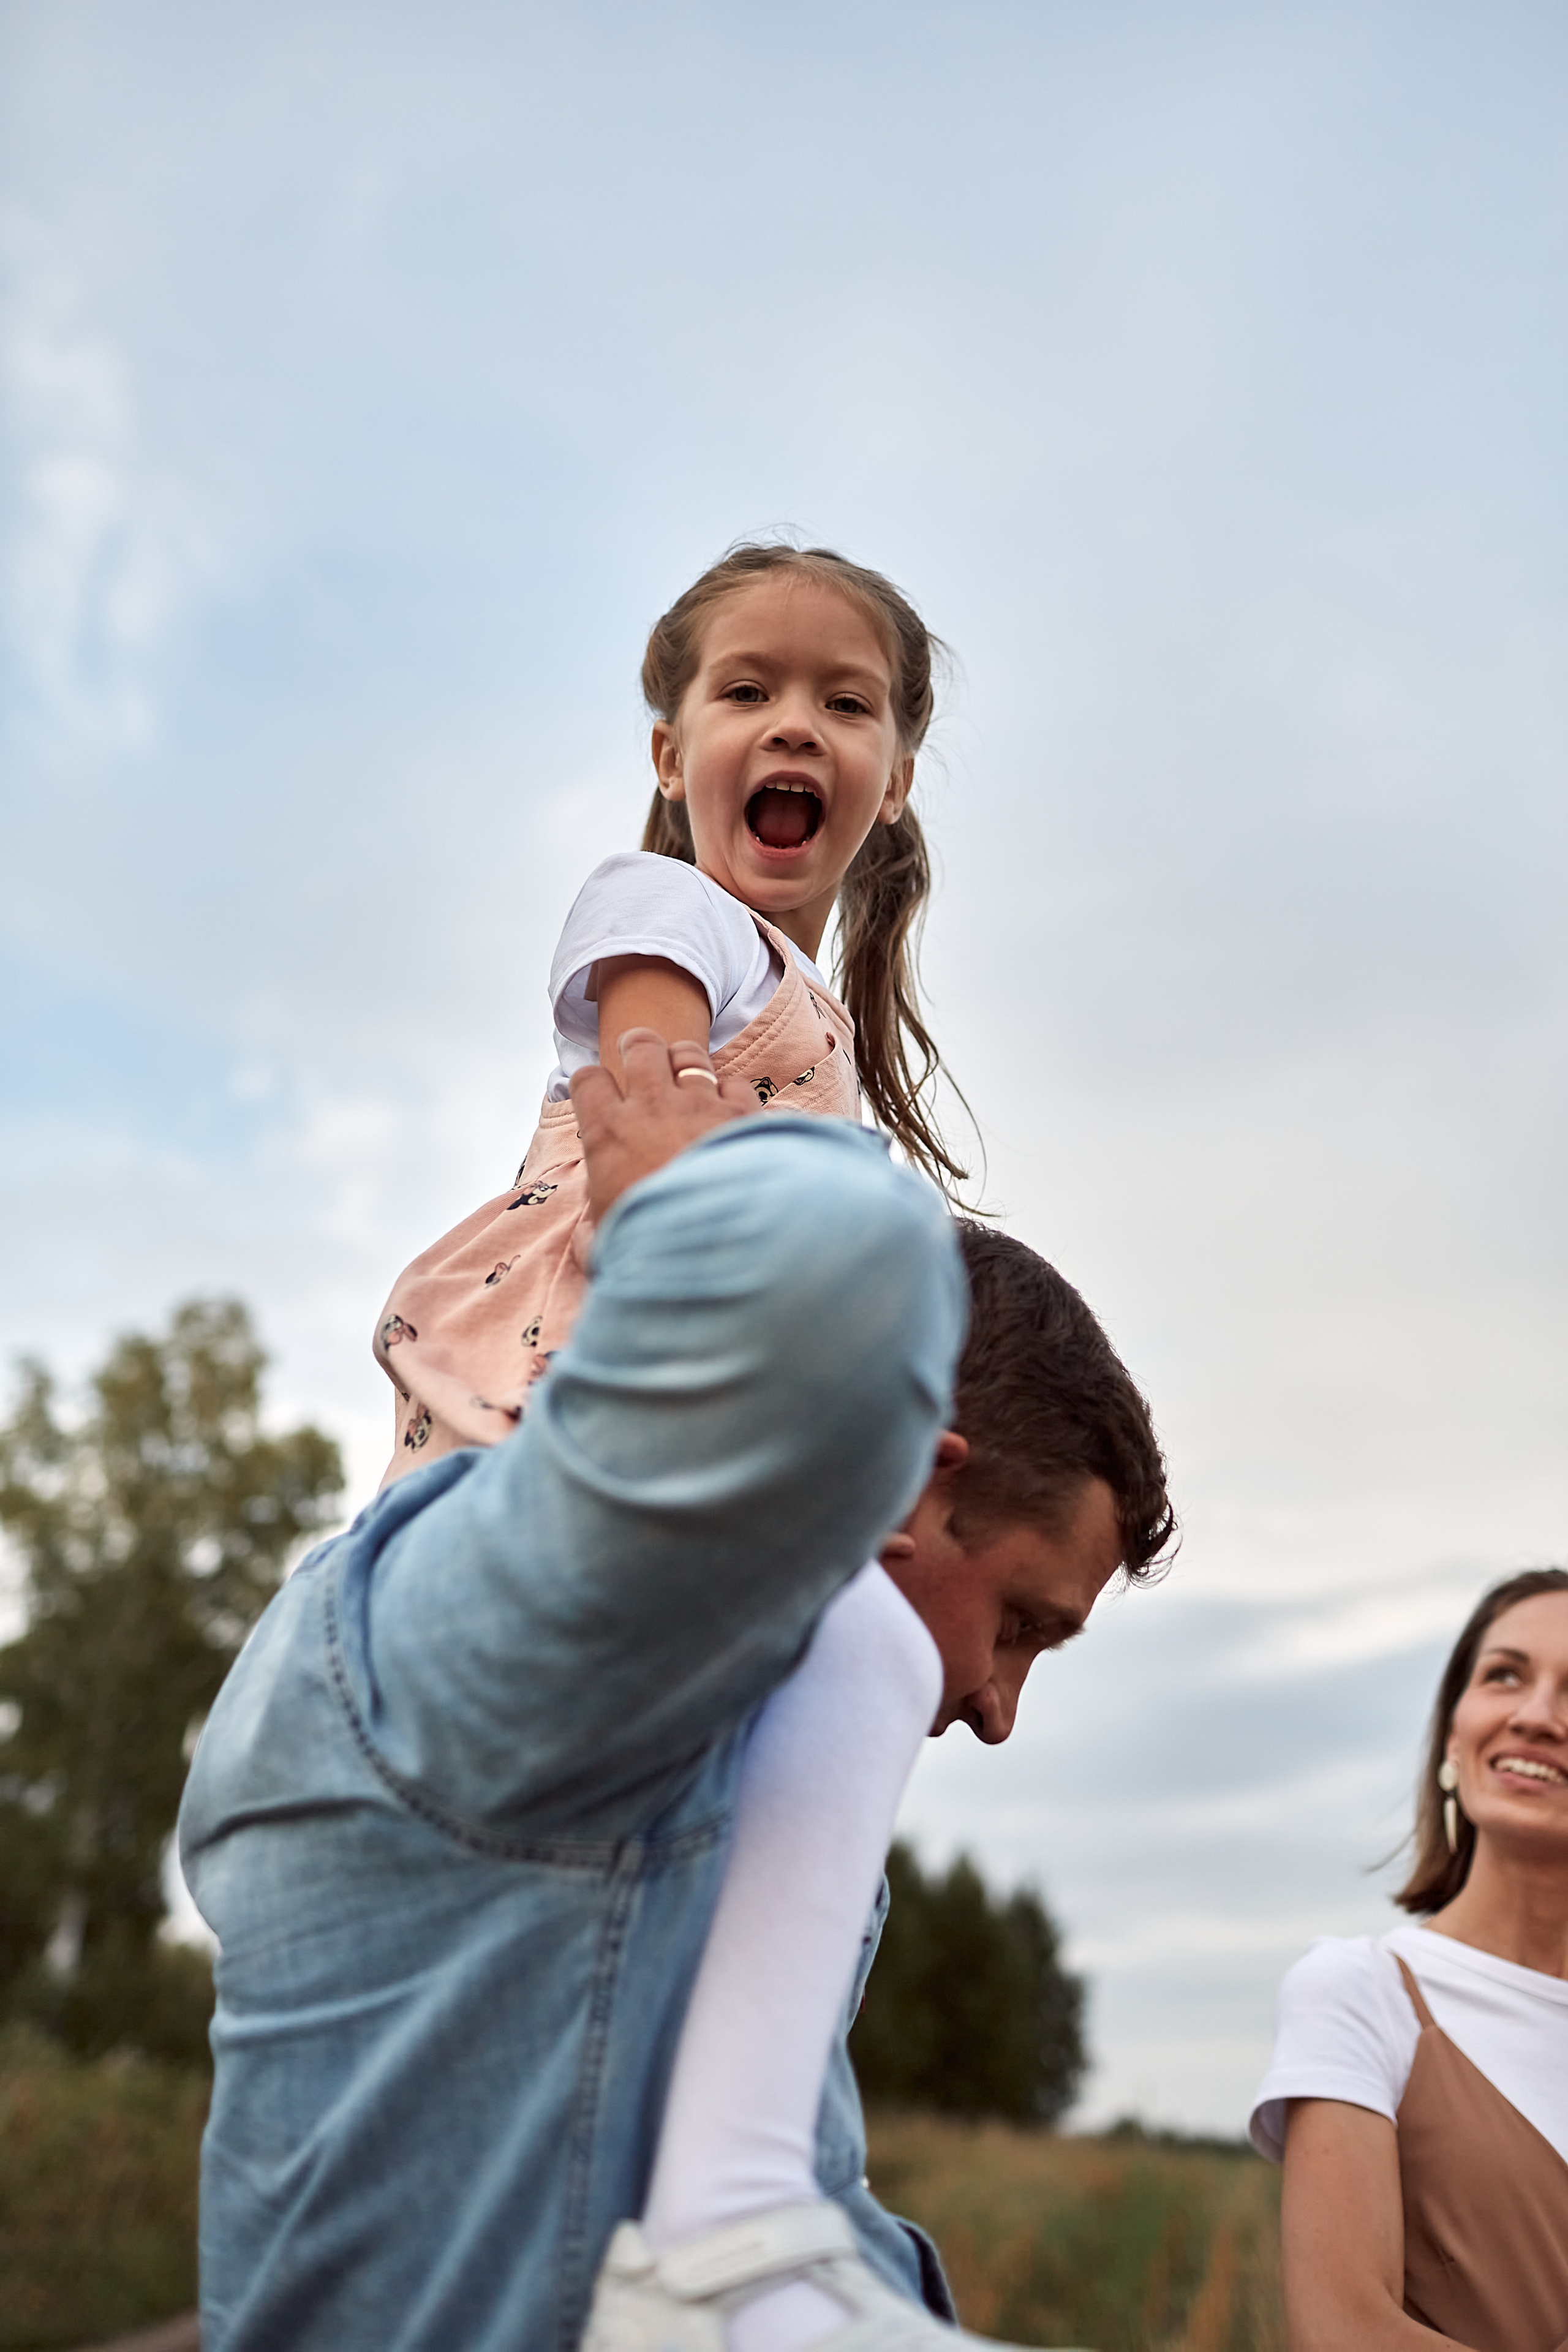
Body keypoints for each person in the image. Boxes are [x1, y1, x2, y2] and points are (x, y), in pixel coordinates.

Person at [178, 1033, 1172, 2352]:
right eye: (1021, 1626)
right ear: (910, 1483)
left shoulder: (725, 1739)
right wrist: (695, 1199)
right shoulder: (498, 1645)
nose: (997, 1706)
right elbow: (855, 1250)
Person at [371, 538, 986, 2352]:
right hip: (580, 1404)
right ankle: (727, 2221)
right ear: (668, 747)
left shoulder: (810, 1009)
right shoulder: (670, 923)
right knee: (860, 1645)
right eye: (748, 690)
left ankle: (722, 2196)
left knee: (810, 1707)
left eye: (842, 700)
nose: (793, 722)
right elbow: (649, 1136)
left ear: (888, 772)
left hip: (684, 1427)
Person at [1250, 1568, 1568, 2351]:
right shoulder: (1362, 1992)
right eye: (1504, 1676)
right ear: (1453, 1733)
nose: (1536, 1717)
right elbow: (1341, 2335)